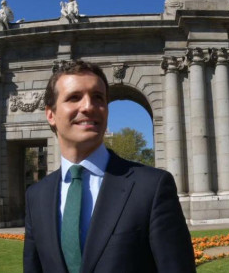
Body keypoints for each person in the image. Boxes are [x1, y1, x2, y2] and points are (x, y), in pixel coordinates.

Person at [23, 60, 195, 272]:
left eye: (98, 97)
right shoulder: (36, 196)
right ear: (50, 114)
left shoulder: (152, 188)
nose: (88, 106)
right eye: (74, 97)